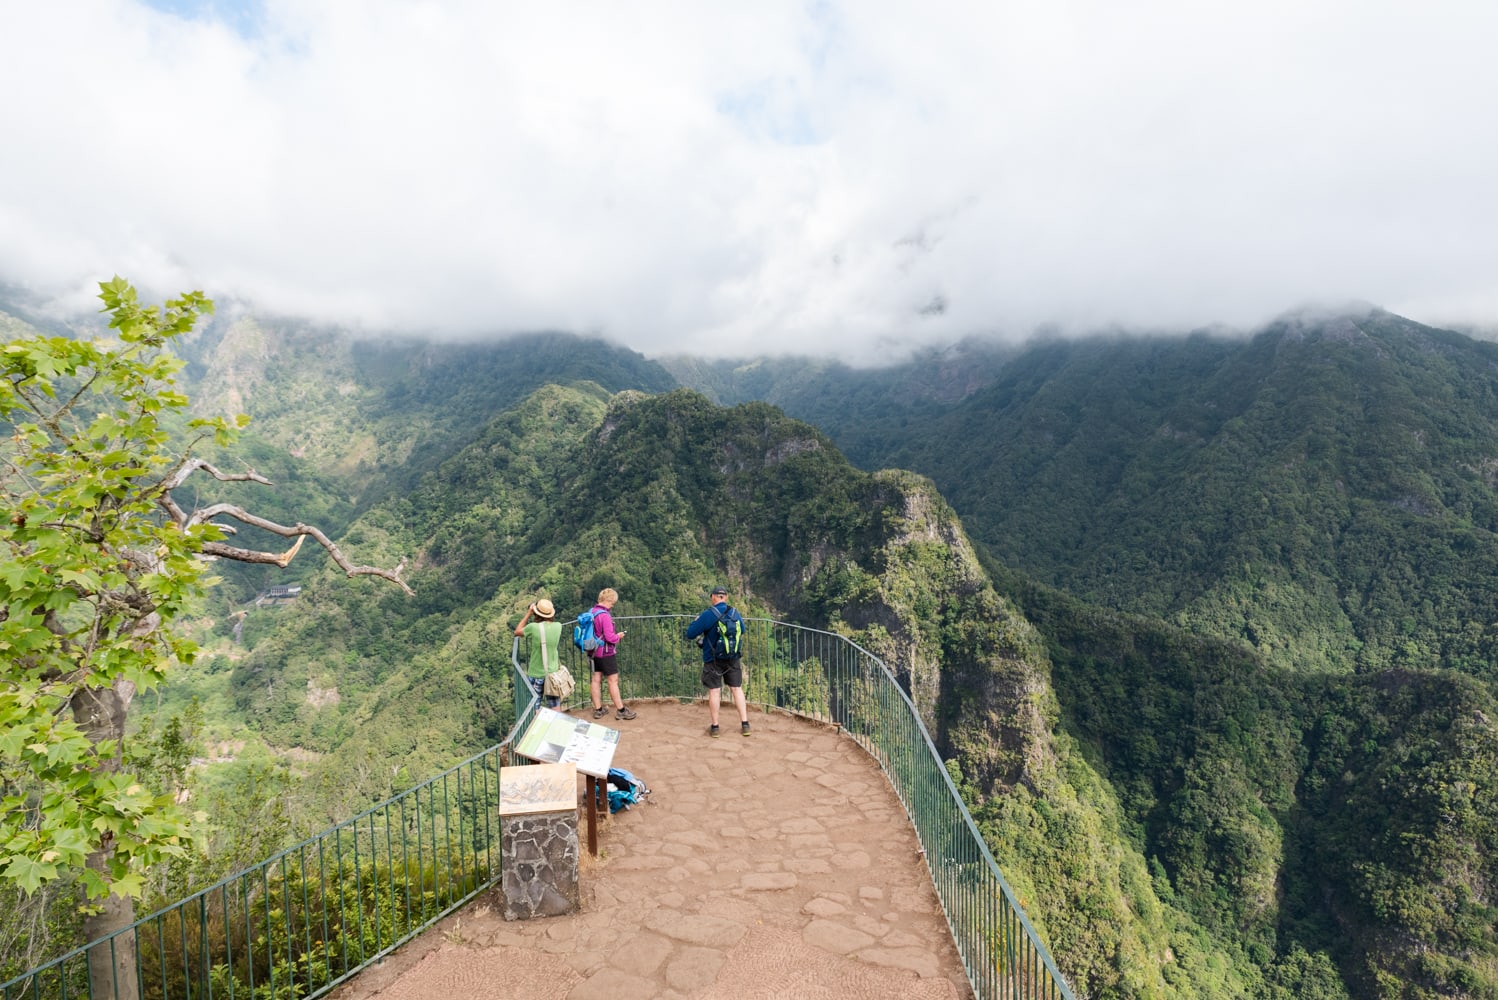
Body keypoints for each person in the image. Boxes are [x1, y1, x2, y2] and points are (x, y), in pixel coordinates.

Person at [685, 586, 750, 737]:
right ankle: (745, 724)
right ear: (726, 597)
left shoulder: (709, 614)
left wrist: (697, 623)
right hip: (733, 658)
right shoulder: (735, 613)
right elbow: (743, 630)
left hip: (712, 659)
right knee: (736, 689)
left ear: (713, 597)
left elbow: (690, 633)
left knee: (714, 691)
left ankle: (715, 727)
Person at [588, 587, 636, 721]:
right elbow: (610, 638)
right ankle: (621, 710)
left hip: (593, 651)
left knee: (596, 679)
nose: (612, 606)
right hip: (606, 652)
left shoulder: (592, 612)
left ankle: (598, 710)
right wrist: (618, 636)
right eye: (612, 603)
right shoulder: (605, 616)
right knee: (613, 681)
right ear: (608, 600)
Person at [514, 598, 563, 708]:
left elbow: (517, 631)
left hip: (536, 673)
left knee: (534, 706)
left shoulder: (533, 627)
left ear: (537, 612)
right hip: (553, 673)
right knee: (555, 706)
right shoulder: (558, 626)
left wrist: (528, 613)